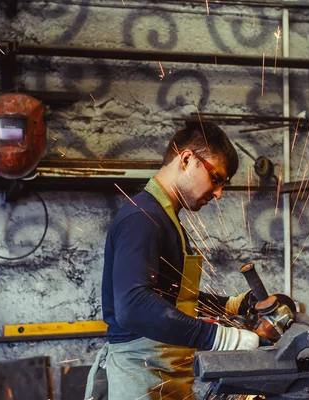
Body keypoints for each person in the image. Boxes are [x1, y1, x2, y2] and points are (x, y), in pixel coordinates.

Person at [85, 121, 260, 400]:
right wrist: (221, 338)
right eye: (216, 178)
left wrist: (229, 305)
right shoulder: (142, 218)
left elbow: (170, 297)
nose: (218, 194)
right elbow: (134, 306)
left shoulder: (163, 218)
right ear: (187, 159)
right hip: (139, 380)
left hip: (161, 377)